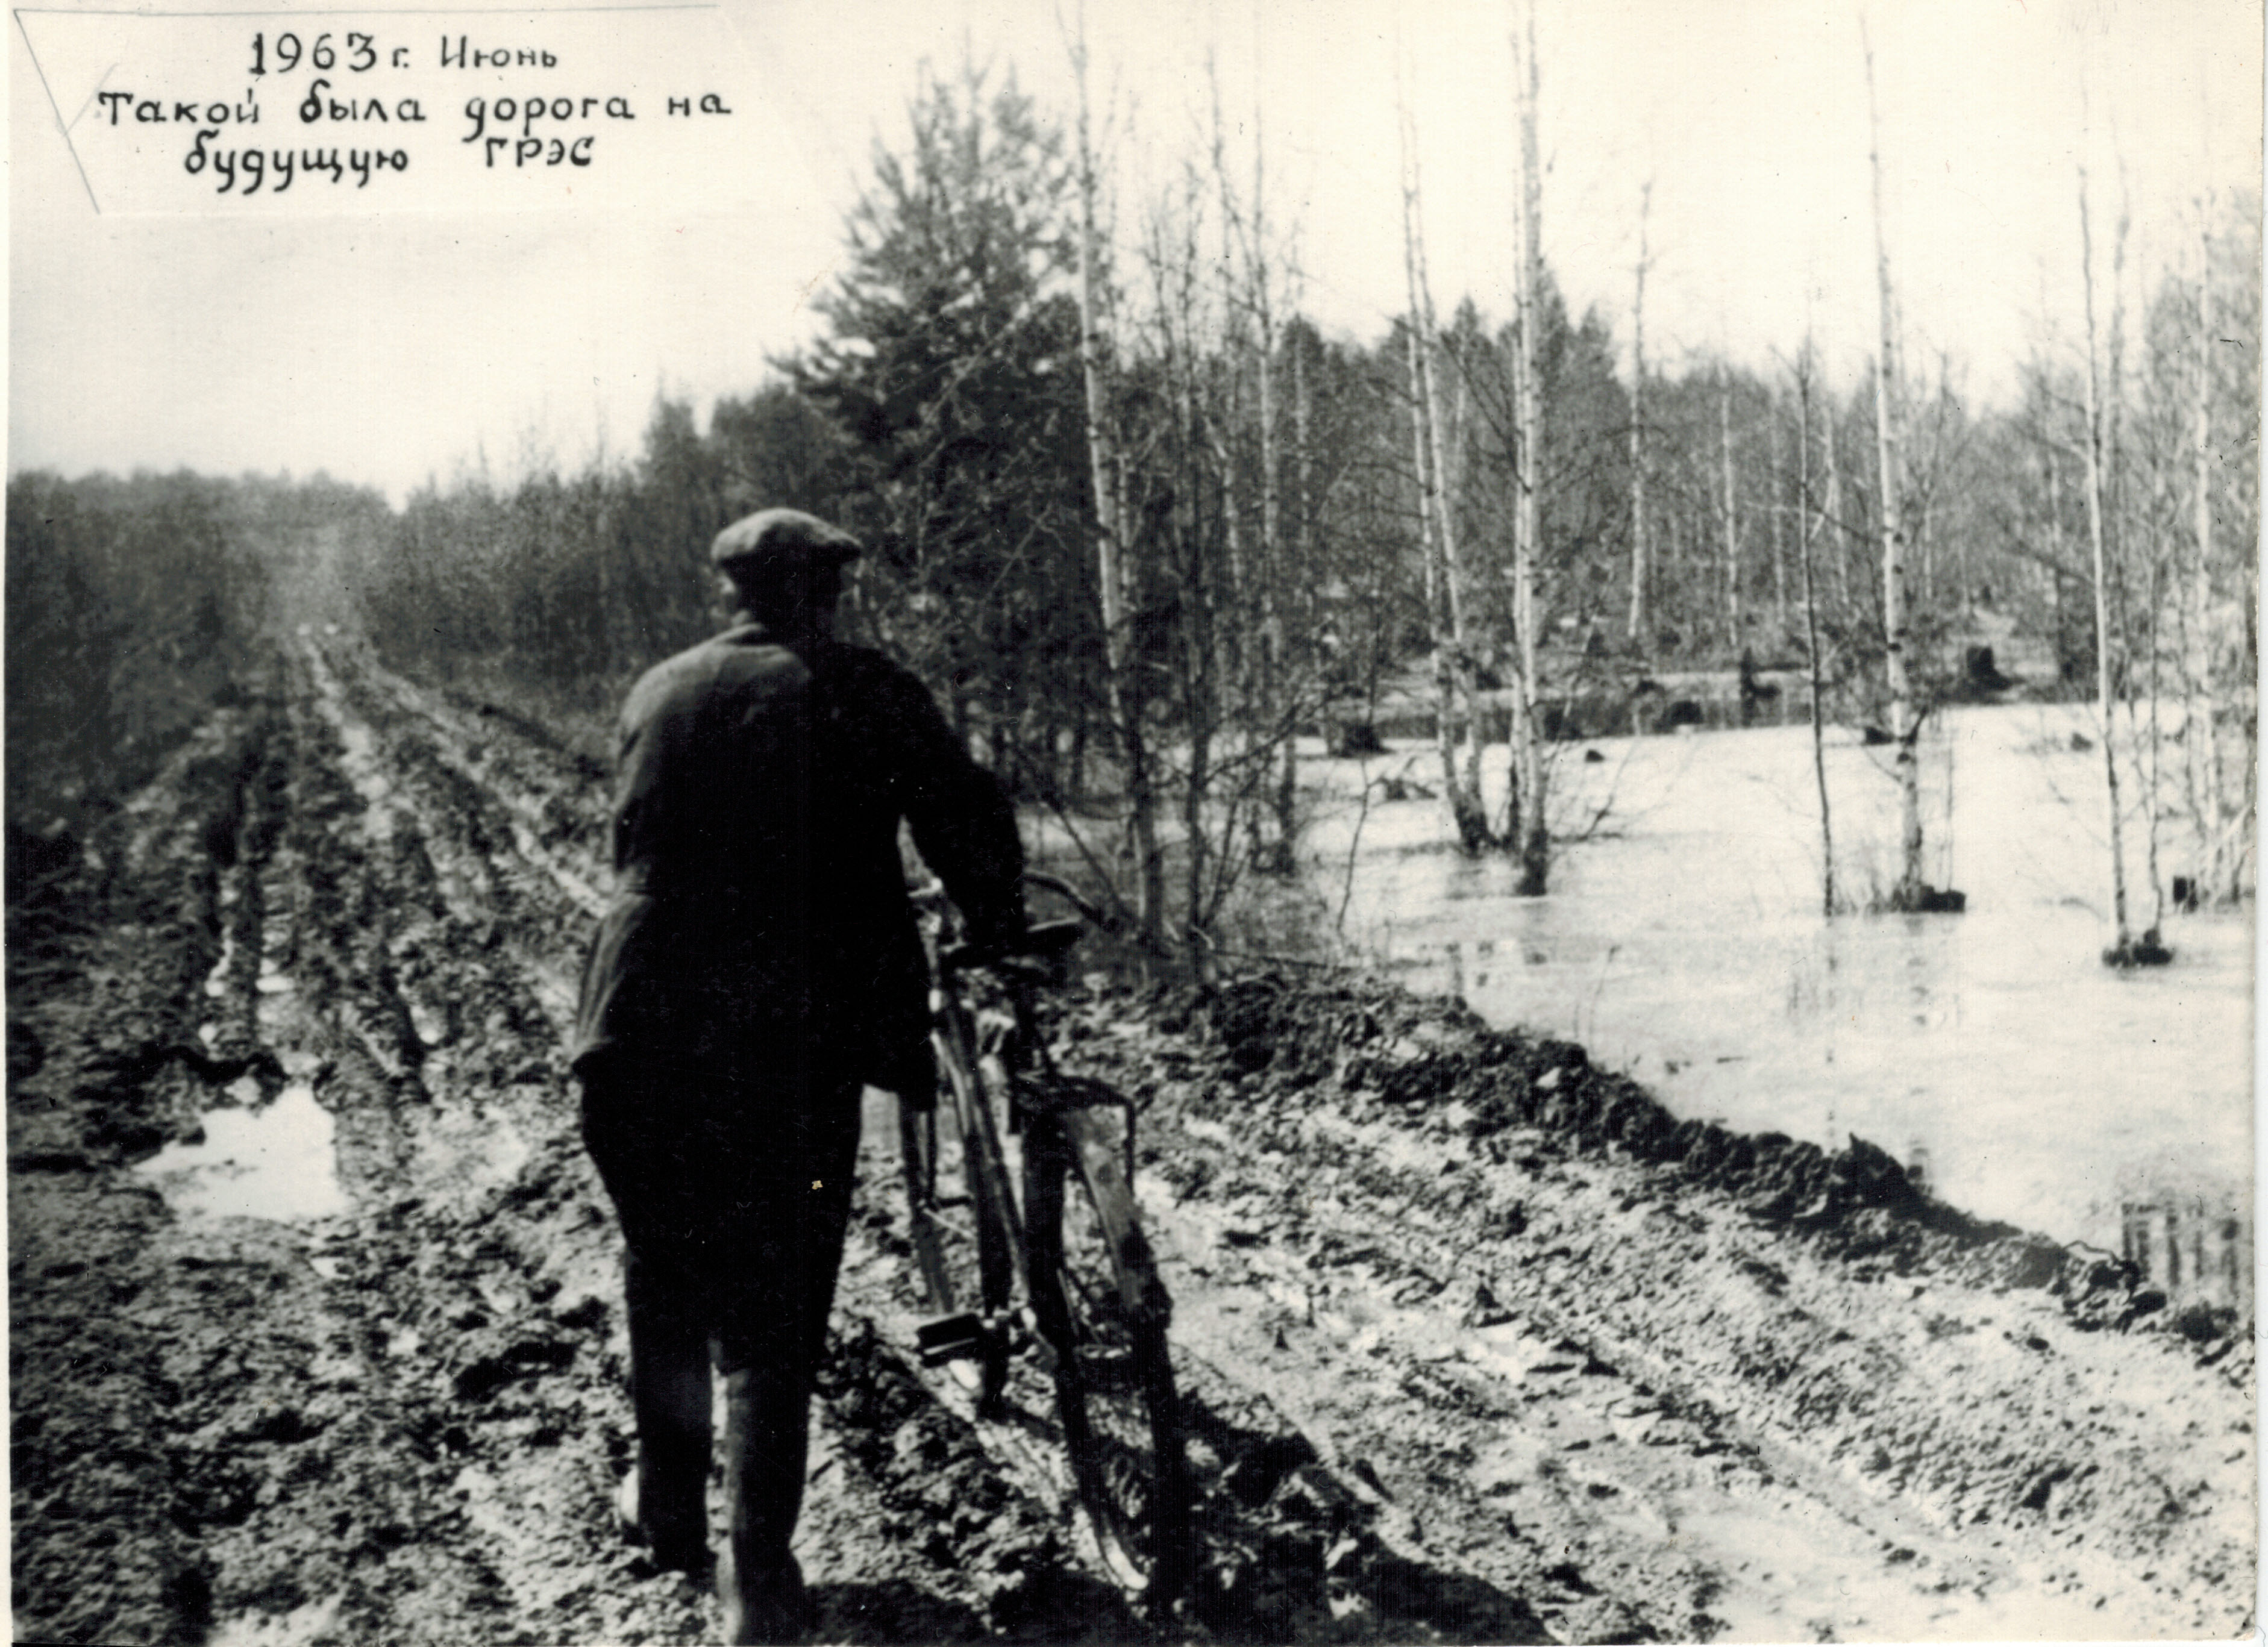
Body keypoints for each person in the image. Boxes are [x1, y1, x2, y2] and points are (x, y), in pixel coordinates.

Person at [569, 507, 1026, 1643]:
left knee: (665, 1261)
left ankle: (671, 1513)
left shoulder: (656, 690)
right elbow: (962, 818)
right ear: (828, 591)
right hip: (780, 1038)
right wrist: (999, 925)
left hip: (628, 1032)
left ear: (733, 593)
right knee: (772, 1314)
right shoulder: (863, 686)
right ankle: (756, 1584)